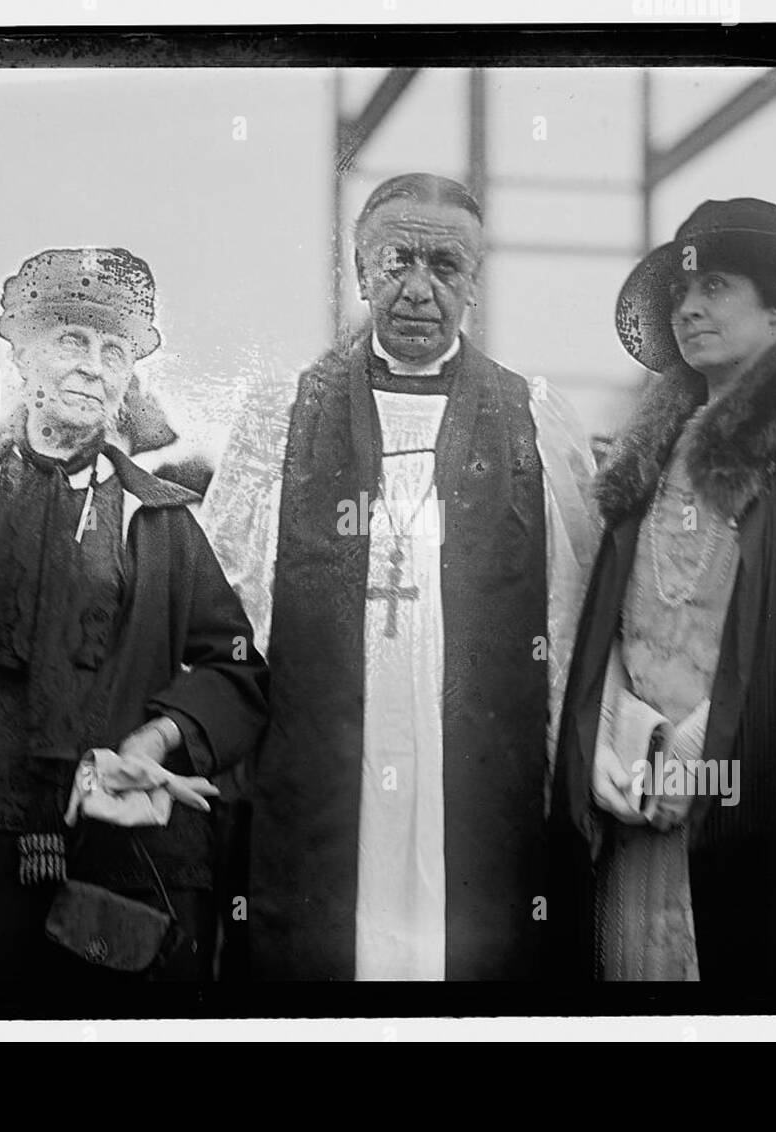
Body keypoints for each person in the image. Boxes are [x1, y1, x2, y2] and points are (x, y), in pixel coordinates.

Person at [201, 173, 598, 980]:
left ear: (475, 283)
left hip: (479, 770)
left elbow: (565, 624)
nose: (419, 290)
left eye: (445, 267)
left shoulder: (534, 418)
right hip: (320, 767)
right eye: (397, 261)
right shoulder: (281, 415)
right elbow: (227, 614)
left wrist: (562, 778)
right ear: (359, 270)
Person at [0, 247, 269, 1017]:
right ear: (23, 355)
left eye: (113, 350)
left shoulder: (163, 521)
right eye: (70, 341)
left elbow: (235, 668)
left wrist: (154, 742)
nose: (91, 366)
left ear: (128, 380)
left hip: (121, 846)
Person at [551, 198, 776, 984]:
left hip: (751, 798)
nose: (690, 307)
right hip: (636, 784)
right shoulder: (650, 443)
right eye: (678, 294)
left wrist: (700, 759)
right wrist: (611, 740)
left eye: (717, 286)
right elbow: (612, 619)